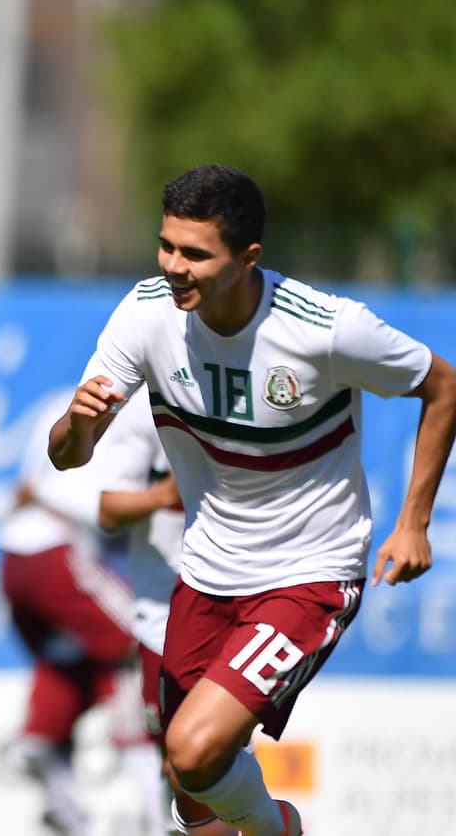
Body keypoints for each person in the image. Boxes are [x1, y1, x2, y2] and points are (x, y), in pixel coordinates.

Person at [47, 163, 456, 836]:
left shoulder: (325, 329)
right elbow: (69, 456)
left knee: (192, 747)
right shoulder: (146, 313)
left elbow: (441, 385)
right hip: (206, 572)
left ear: (248, 258)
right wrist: (79, 424)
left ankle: (281, 831)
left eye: (195, 254)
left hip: (308, 573)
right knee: (192, 791)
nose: (173, 266)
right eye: (166, 245)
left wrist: (414, 523)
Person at [88, 386, 235, 836]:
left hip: (237, 611)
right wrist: (165, 493)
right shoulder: (146, 408)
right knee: (178, 767)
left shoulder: (249, 391)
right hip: (162, 623)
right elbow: (109, 510)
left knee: (213, 763)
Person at [0, 394, 135, 835]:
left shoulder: (54, 403)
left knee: (72, 660)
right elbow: (101, 511)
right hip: (58, 554)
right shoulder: (136, 409)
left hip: (12, 561)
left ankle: (47, 745)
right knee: (143, 641)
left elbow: (15, 498)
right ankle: (142, 752)